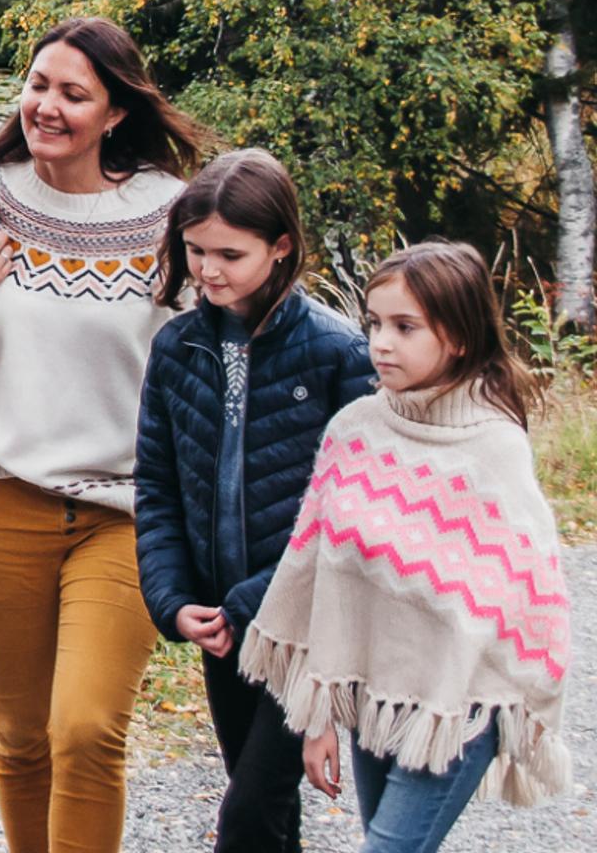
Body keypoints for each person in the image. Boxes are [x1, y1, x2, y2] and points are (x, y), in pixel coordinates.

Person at [0, 15, 206, 853]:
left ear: (116, 114)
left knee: (87, 728)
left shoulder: (169, 215)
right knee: (21, 740)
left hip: (126, 514)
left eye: (72, 93)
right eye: (37, 84)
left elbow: (209, 360)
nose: (46, 106)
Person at [241, 241, 573, 852]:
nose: (381, 342)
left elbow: (530, 596)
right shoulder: (355, 431)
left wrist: (521, 700)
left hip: (458, 705)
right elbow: (317, 582)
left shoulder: (495, 449)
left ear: (460, 337)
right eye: (374, 323)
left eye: (404, 327)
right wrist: (318, 720)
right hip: (375, 695)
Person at [133, 148, 376, 851]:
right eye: (196, 250)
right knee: (264, 809)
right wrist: (173, 599)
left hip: (306, 627)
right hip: (219, 620)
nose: (208, 269)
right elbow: (157, 487)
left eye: (229, 254)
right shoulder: (177, 348)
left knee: (246, 813)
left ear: (281, 248)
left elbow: (351, 513)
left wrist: (257, 600)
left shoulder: (339, 354)